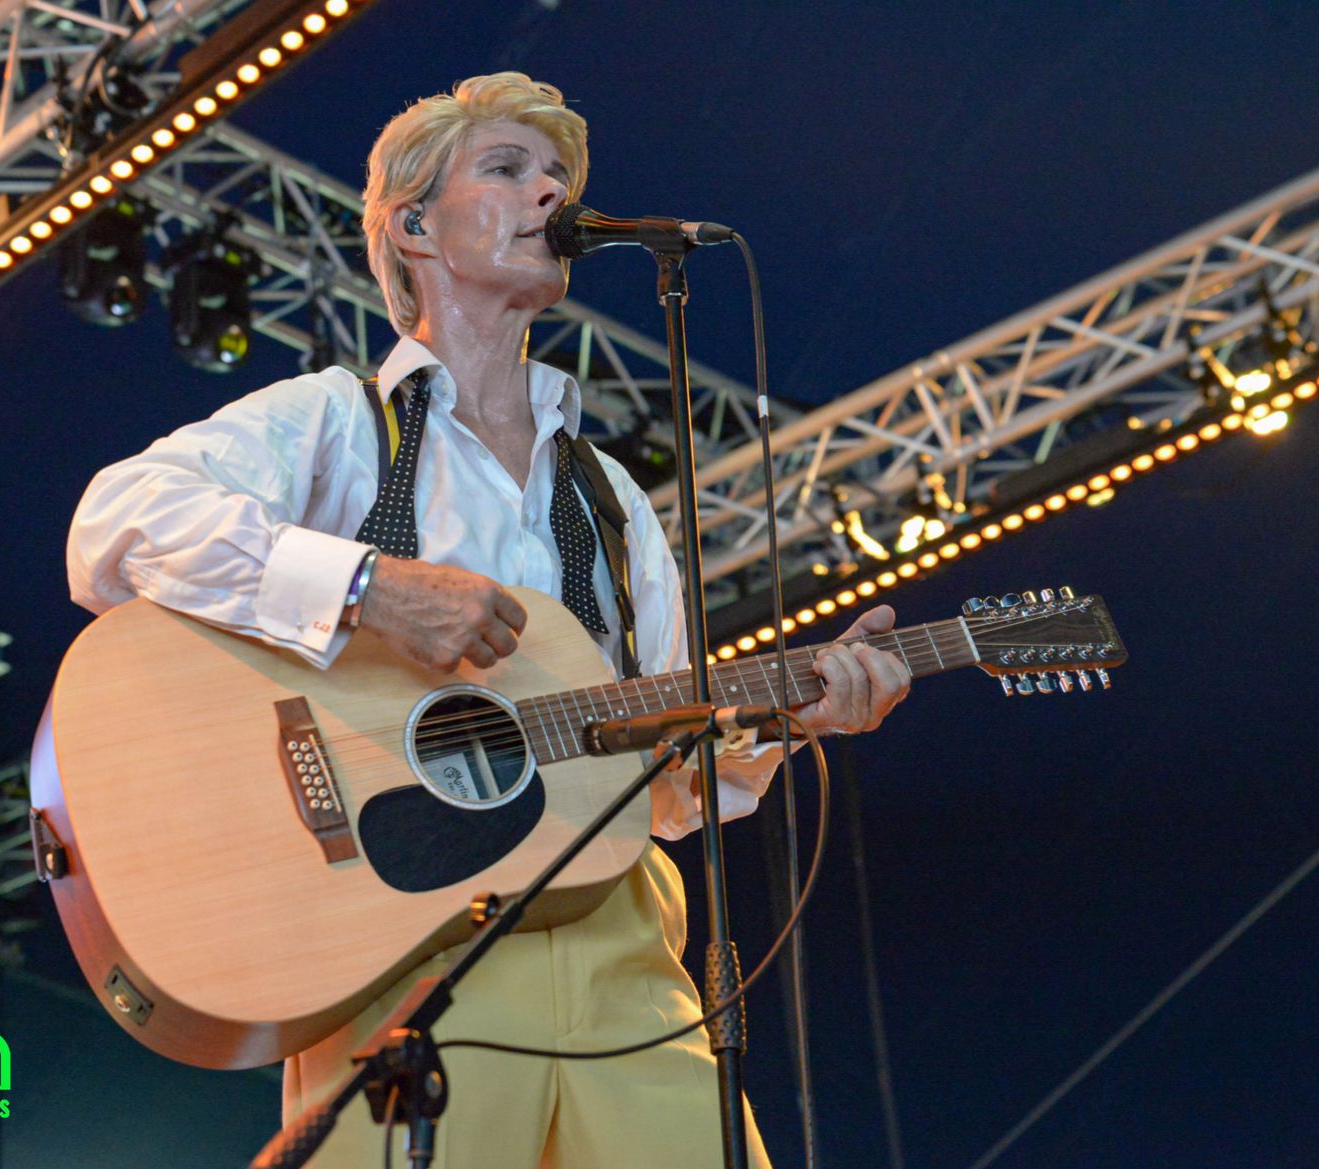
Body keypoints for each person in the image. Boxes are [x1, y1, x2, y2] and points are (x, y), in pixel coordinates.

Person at [67, 72, 910, 1169]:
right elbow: (116, 521)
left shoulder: (610, 496)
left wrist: (792, 715)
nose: (551, 191)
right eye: (508, 169)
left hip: (622, 953)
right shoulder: (338, 423)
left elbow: (665, 781)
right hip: (409, 954)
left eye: (557, 174)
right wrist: (369, 588)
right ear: (414, 227)